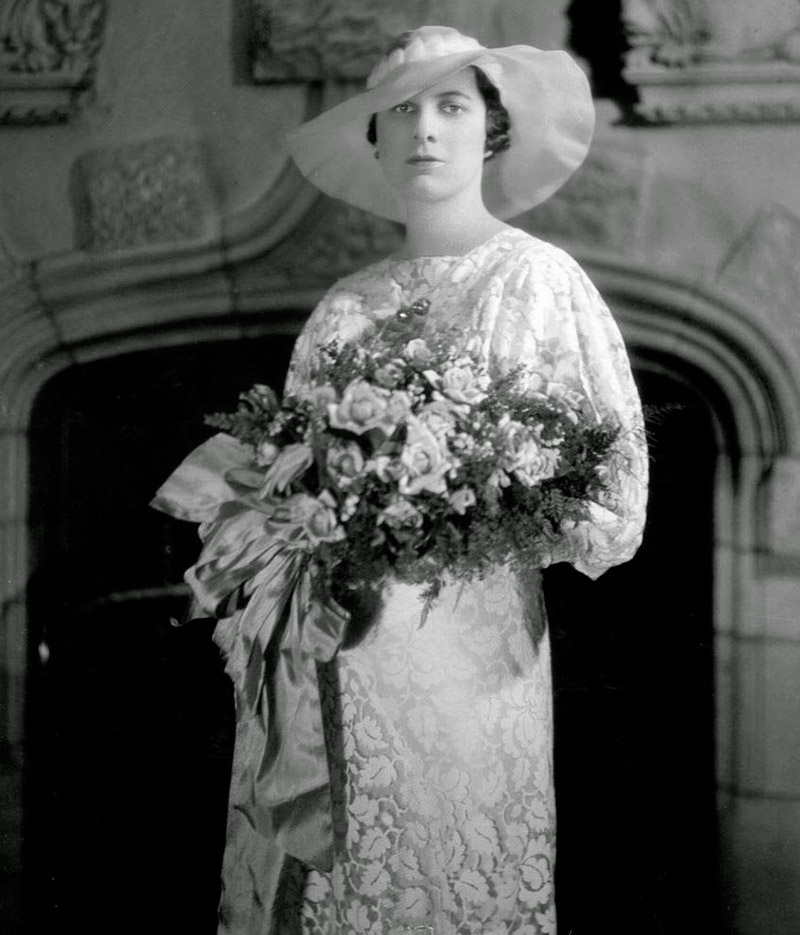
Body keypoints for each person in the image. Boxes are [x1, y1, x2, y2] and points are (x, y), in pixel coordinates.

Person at [155, 24, 648, 935]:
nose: (425, 128)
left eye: (451, 106)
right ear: (375, 139)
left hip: (467, 655)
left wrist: (449, 501)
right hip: (334, 649)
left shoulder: (537, 281)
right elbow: (285, 485)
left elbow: (608, 503)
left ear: (489, 132)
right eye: (401, 110)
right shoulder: (345, 305)